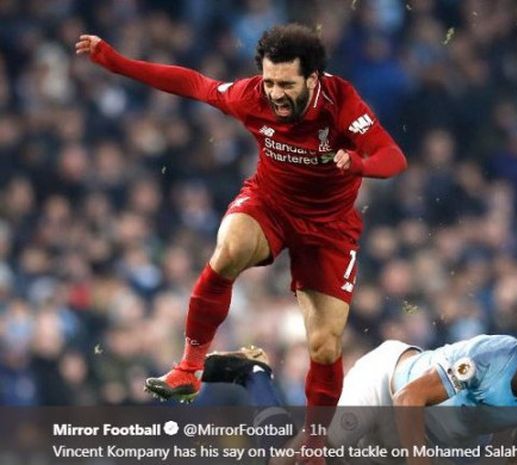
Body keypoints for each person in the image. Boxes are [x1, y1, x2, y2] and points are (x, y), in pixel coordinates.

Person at [75, 22, 405, 431]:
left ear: (313, 78)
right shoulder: (251, 96)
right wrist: (117, 62)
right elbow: (195, 84)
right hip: (270, 204)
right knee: (227, 251)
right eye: (269, 82)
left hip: (329, 228)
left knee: (324, 345)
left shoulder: (341, 103)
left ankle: (315, 445)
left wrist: (361, 164)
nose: (276, 94)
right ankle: (189, 368)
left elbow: (392, 156)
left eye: (286, 84)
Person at [202, 315, 517, 465]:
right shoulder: (489, 357)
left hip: (436, 447)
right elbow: (411, 397)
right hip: (386, 388)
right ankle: (254, 375)